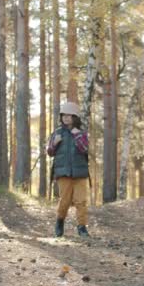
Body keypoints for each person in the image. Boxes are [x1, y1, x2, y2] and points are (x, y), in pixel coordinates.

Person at [47, 102, 91, 238]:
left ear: (75, 117)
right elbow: (50, 152)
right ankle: (59, 222)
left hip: (80, 173)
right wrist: (55, 143)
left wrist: (77, 135)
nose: (66, 118)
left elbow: (84, 148)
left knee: (81, 201)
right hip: (63, 173)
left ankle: (82, 228)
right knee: (64, 200)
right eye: (64, 115)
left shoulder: (81, 133)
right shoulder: (57, 133)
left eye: (69, 116)